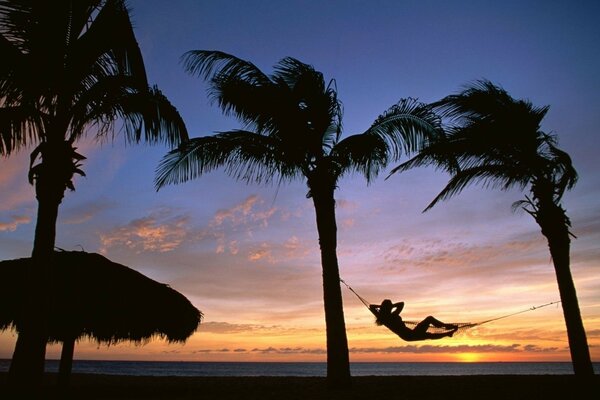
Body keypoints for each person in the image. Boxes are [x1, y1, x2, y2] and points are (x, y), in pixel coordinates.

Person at [369, 299, 458, 341]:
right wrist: (390, 306)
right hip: (409, 335)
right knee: (429, 326)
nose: (392, 307)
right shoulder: (390, 316)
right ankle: (447, 330)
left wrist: (384, 306)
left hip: (409, 334)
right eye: (390, 306)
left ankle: (447, 332)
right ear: (388, 308)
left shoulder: (383, 317)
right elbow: (401, 304)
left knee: (428, 332)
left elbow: (371, 307)